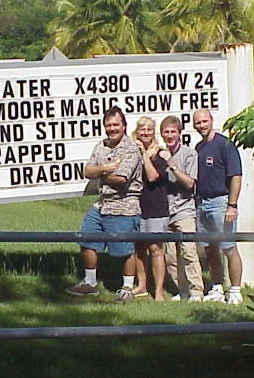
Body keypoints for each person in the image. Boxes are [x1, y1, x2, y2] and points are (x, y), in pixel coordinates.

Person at [65, 106, 143, 303]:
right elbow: (87, 171)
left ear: (124, 126)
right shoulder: (101, 146)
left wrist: (99, 174)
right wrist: (105, 169)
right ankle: (90, 283)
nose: (112, 128)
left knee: (124, 250)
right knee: (86, 238)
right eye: (108, 125)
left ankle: (127, 287)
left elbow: (122, 178)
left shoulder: (131, 149)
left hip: (124, 205)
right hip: (102, 204)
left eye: (116, 124)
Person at [193, 108, 244, 305]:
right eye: (198, 122)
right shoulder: (198, 148)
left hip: (221, 203)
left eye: (204, 121)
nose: (201, 125)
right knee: (210, 249)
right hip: (202, 203)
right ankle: (216, 287)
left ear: (211, 120)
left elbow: (236, 177)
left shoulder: (225, 145)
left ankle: (235, 289)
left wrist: (232, 205)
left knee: (229, 247)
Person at [158, 116, 205, 303]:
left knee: (188, 251)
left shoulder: (189, 154)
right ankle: (182, 289)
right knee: (170, 256)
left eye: (173, 131)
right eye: (166, 132)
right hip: (165, 210)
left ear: (180, 133)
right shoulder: (158, 153)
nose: (170, 135)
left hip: (184, 209)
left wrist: (171, 164)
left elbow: (189, 183)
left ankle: (197, 291)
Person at [131, 116, 169, 302]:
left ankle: (159, 291)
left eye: (148, 129)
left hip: (156, 206)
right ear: (136, 132)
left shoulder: (161, 154)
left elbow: (153, 176)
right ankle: (142, 285)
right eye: (142, 129)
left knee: (155, 249)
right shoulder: (132, 151)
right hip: (136, 206)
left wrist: (144, 154)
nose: (145, 133)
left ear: (153, 132)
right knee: (139, 247)